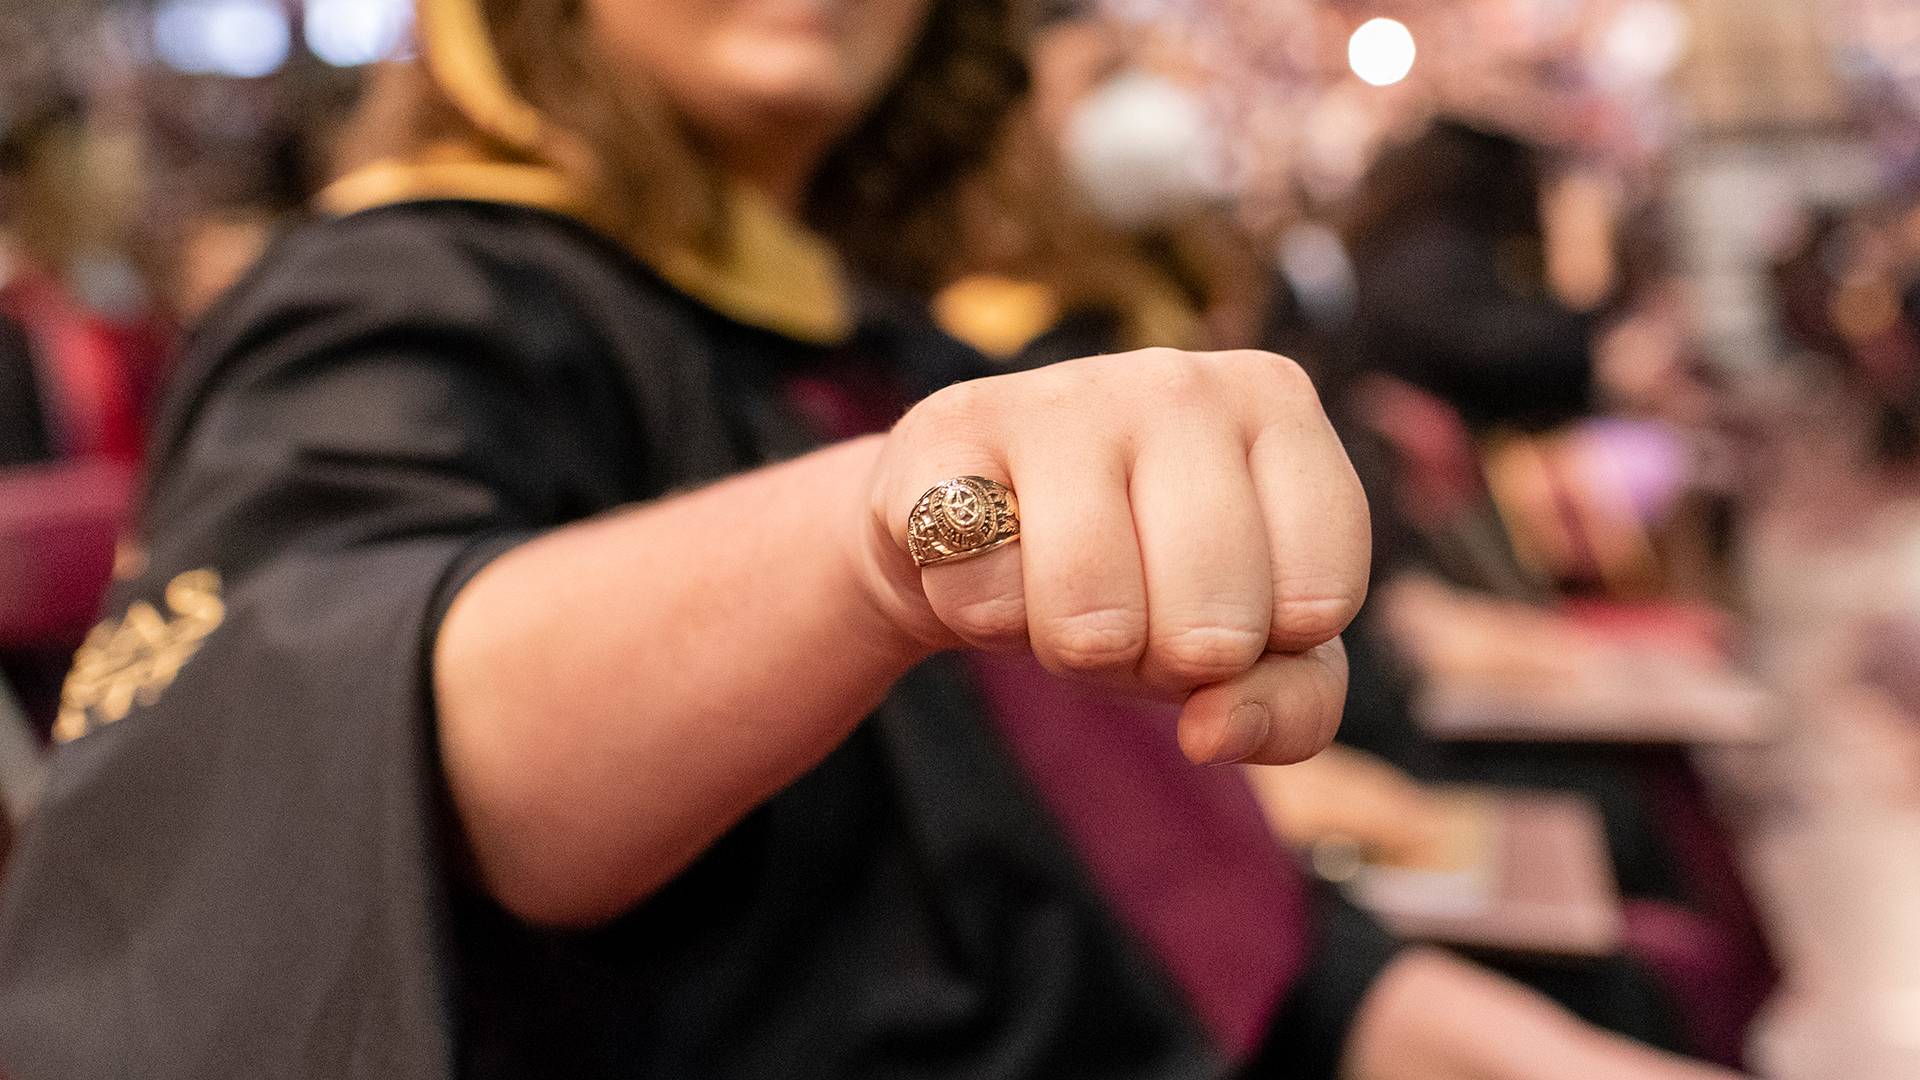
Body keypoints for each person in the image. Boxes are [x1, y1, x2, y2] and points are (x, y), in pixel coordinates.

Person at [0, 4, 1745, 1080]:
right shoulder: (405, 299)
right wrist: (882, 542)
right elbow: (366, 702)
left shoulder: (877, 337)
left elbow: (1143, 905)